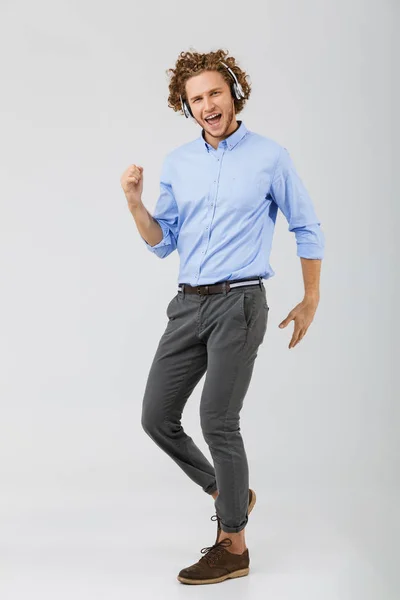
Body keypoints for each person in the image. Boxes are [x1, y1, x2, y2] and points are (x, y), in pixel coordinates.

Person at [120, 48, 325, 585]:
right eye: (195, 99)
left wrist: (310, 298)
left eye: (214, 92)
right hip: (188, 304)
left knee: (217, 420)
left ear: (233, 93)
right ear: (186, 108)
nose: (207, 104)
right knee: (155, 417)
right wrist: (135, 202)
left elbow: (307, 227)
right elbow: (162, 243)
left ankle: (232, 544)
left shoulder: (269, 156)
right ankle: (230, 492)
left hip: (239, 302)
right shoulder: (181, 163)